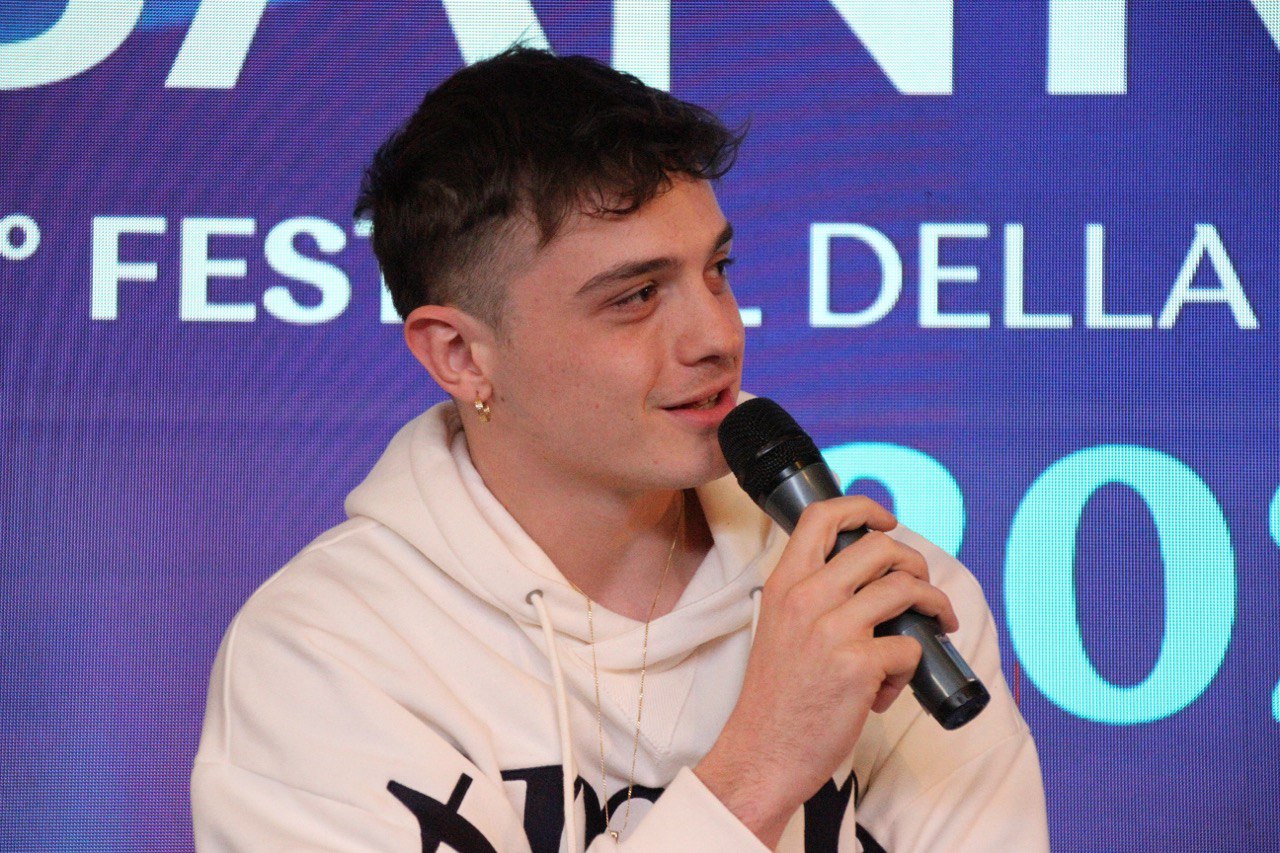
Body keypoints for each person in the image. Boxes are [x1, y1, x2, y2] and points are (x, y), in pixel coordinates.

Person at [191, 47, 1049, 851]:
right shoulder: (325, 655)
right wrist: (758, 768)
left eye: (717, 270)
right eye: (636, 296)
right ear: (460, 354)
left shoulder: (887, 606)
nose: (717, 335)